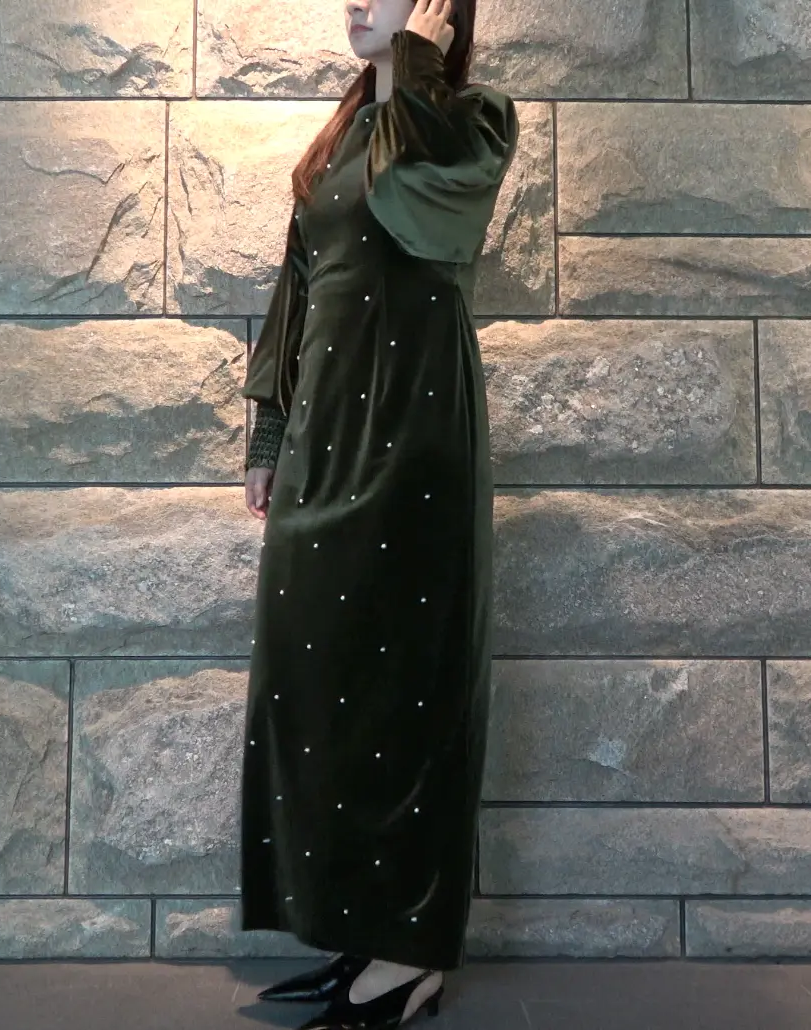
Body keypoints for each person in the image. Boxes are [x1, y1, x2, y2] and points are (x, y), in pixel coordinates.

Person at [240, 0, 519, 1025]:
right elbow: (300, 284)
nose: (356, 3)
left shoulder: (473, 118)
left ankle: (411, 957)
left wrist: (415, 68)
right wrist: (271, 432)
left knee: (407, 685)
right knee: (316, 679)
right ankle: (359, 932)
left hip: (414, 433)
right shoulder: (345, 127)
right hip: (328, 432)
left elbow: (422, 211)